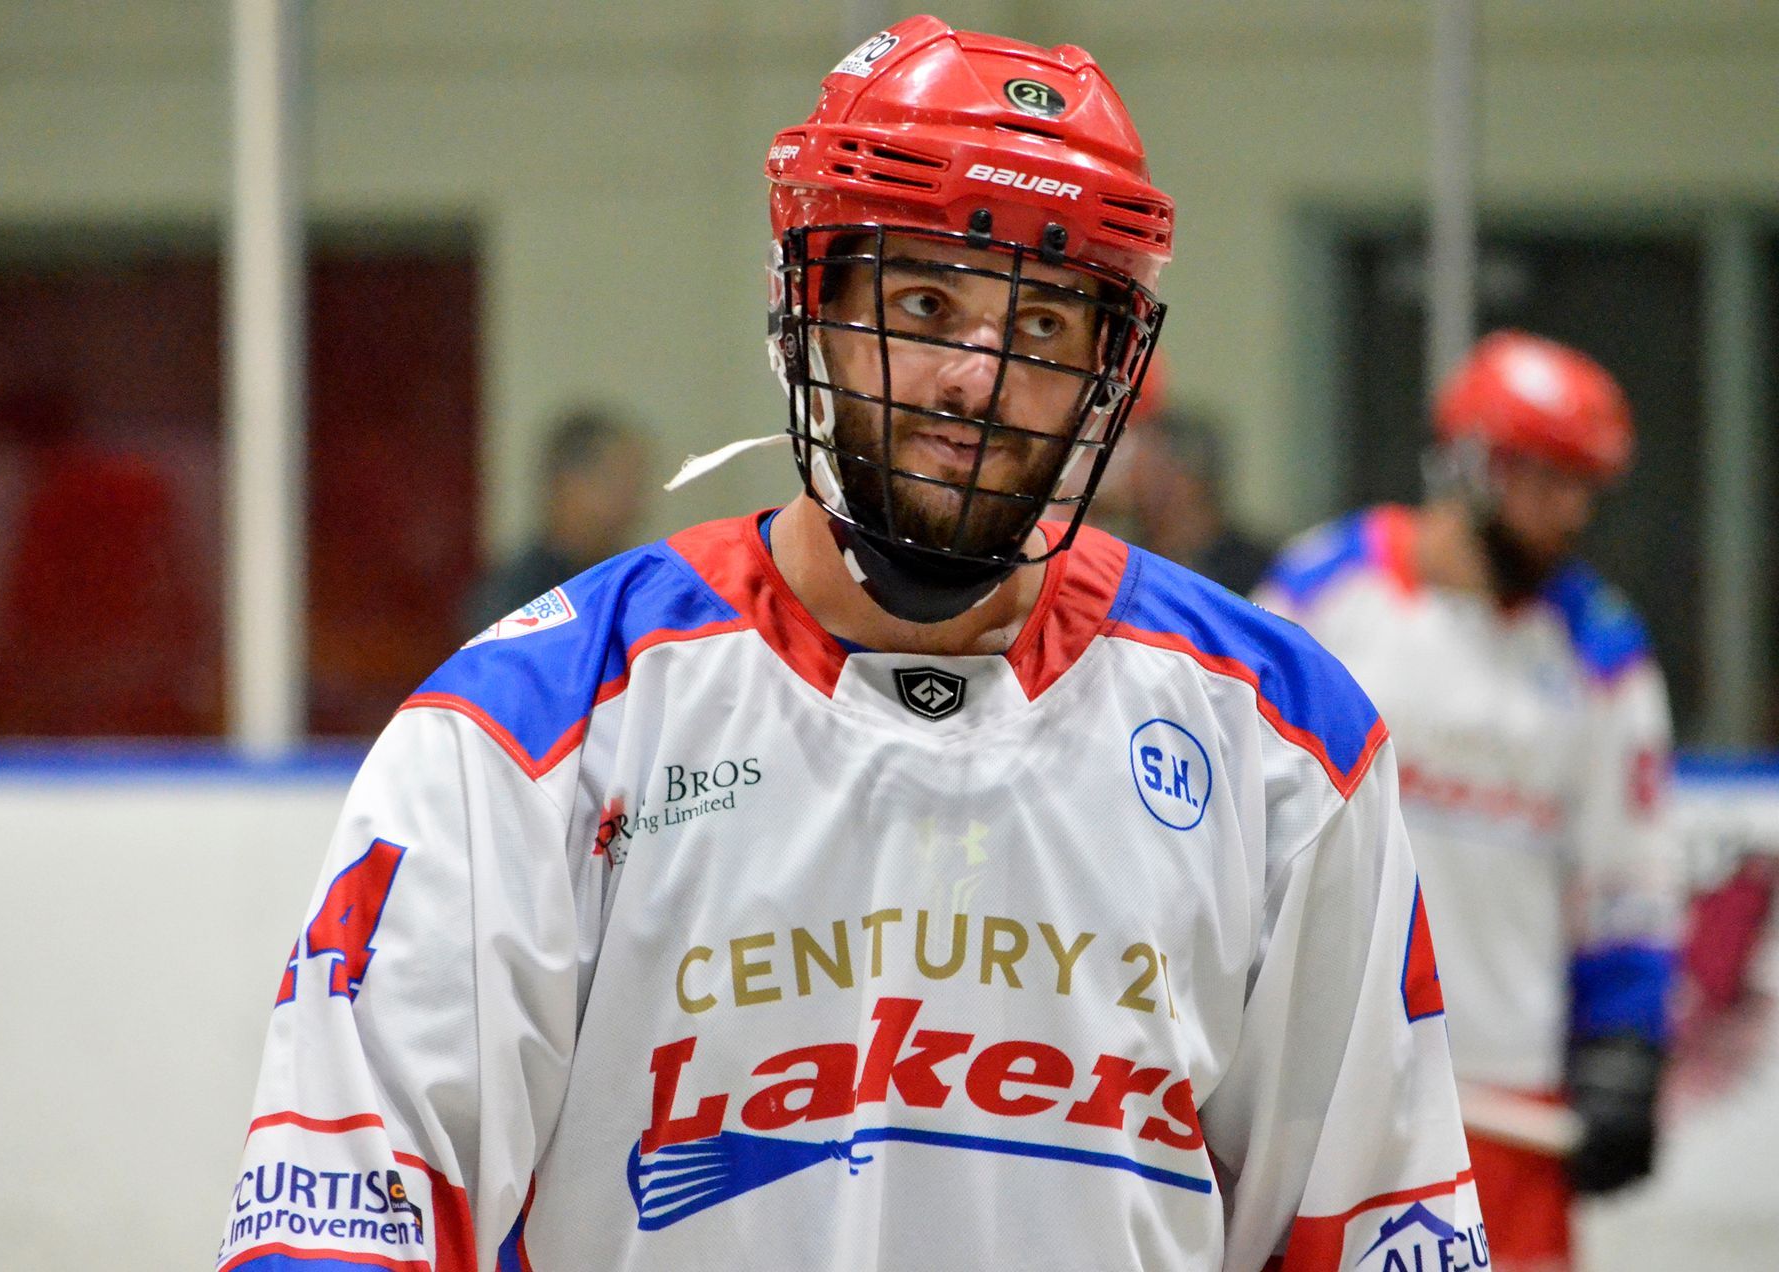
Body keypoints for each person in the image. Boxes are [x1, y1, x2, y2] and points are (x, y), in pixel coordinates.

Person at [218, 17, 1481, 1271]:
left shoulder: (1279, 743)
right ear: (807, 311)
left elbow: (1379, 1222)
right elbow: (344, 1218)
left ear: (1109, 370)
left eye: (1045, 326)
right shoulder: (538, 723)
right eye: (926, 303)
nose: (977, 380)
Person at [1256, 330, 1682, 1272]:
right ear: (1475, 463)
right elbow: (1245, 817)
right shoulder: (1327, 588)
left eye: (1584, 487)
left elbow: (1630, 876)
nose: (1572, 512)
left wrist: (1626, 1046)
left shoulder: (1601, 647)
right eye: (1548, 480)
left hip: (1508, 1095)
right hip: (1324, 1078)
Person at [460, 406, 652, 629]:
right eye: (617, 485)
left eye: (636, 487)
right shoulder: (514, 599)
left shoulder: (634, 584)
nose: (634, 506)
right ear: (566, 485)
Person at [1089, 404, 1276, 595]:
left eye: (1144, 468)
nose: (1128, 481)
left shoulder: (1265, 573)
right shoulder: (1122, 564)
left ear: (1186, 479)